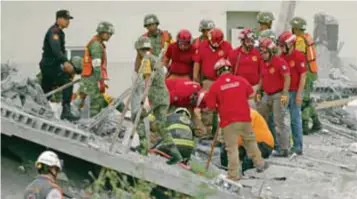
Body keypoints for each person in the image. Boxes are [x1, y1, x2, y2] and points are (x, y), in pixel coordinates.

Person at [205, 58, 267, 181]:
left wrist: (219, 105)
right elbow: (250, 94)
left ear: (218, 71)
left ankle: (233, 175)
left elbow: (210, 107)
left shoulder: (215, 86)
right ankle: (260, 164)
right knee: (250, 142)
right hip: (244, 118)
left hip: (228, 121)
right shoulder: (241, 80)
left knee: (232, 149)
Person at [132, 36, 183, 165]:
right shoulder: (156, 59)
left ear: (138, 49)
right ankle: (176, 153)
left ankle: (143, 146)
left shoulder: (146, 60)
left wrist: (145, 100)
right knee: (161, 125)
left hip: (154, 96)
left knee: (136, 117)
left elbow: (148, 79)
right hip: (164, 96)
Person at [39, 10, 78, 121]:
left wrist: (64, 61)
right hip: (50, 65)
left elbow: (61, 50)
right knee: (67, 82)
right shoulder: (54, 32)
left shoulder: (59, 32)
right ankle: (66, 111)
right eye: (66, 19)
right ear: (58, 19)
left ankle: (40, 109)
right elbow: (56, 50)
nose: (68, 22)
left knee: (46, 89)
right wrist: (65, 62)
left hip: (49, 65)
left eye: (68, 19)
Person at [193, 28, 232, 137]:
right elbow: (197, 62)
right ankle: (207, 131)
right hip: (208, 81)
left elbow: (231, 61)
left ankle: (219, 133)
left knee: (222, 106)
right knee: (208, 106)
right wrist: (195, 77)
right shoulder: (202, 45)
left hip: (222, 81)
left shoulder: (227, 46)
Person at [255, 38, 291, 157]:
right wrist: (258, 91)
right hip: (267, 94)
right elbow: (262, 77)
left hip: (278, 94)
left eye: (265, 52)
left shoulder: (280, 62)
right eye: (261, 52)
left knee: (279, 121)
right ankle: (264, 143)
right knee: (260, 117)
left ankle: (284, 148)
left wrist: (285, 94)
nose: (262, 55)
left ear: (271, 52)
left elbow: (287, 77)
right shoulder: (263, 62)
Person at [290, 16, 322, 135]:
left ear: (296, 29)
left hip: (306, 73)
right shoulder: (307, 37)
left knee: (303, 101)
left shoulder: (299, 41)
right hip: (312, 72)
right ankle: (316, 123)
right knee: (307, 99)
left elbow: (298, 58)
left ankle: (304, 126)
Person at [278, 31, 307, 155]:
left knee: (295, 119)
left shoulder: (299, 56)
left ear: (290, 44)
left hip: (294, 93)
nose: (281, 47)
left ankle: (298, 146)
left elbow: (303, 75)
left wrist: (299, 93)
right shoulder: (281, 57)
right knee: (282, 120)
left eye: (283, 45)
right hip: (284, 93)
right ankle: (284, 146)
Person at [221, 108, 274, 173]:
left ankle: (246, 176)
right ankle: (226, 172)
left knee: (247, 161)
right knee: (225, 150)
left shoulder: (249, 114)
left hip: (264, 144)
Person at [78, 21, 114, 117]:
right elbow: (96, 65)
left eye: (111, 34)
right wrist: (100, 80)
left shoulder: (96, 43)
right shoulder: (96, 45)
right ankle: (93, 124)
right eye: (108, 33)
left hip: (89, 79)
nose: (110, 36)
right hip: (92, 79)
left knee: (83, 100)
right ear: (102, 32)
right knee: (96, 103)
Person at [228, 28, 261, 106]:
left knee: (255, 110)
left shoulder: (258, 53)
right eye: (248, 41)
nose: (250, 43)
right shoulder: (234, 53)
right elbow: (229, 72)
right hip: (238, 88)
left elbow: (261, 71)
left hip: (254, 88)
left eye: (252, 41)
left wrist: (259, 88)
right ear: (242, 41)